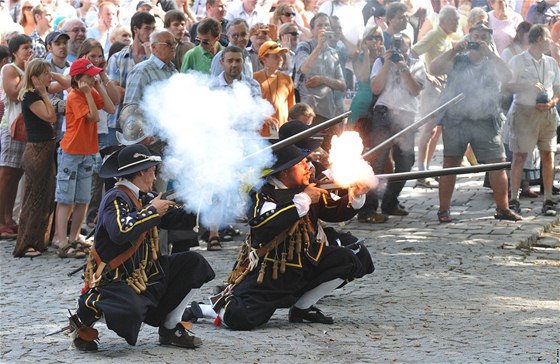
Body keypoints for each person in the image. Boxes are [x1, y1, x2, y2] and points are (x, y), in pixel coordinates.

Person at [191, 143, 374, 330]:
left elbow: (334, 211)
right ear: (286, 172)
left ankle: (302, 309)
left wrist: (356, 195)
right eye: (302, 163)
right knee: (241, 317)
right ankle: (209, 309)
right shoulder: (263, 194)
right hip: (271, 272)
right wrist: (303, 200)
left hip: (307, 261)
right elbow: (264, 224)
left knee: (349, 259)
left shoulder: (306, 189)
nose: (308, 167)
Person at [71, 144, 215, 351]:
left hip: (145, 274)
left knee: (194, 263)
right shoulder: (115, 197)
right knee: (130, 311)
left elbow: (180, 219)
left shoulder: (144, 198)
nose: (155, 178)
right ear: (141, 172)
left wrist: (205, 195)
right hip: (115, 280)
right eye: (152, 172)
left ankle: (170, 327)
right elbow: (120, 232)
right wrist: (152, 212)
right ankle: (83, 320)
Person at [430, 21, 522, 222]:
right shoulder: (458, 59)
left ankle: (503, 208)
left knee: (497, 164)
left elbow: (508, 76)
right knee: (450, 164)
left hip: (485, 119)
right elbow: (434, 68)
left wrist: (491, 54)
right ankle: (443, 210)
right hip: (456, 119)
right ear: (469, 38)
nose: (479, 40)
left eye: (484, 37)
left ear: (489, 40)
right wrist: (453, 49)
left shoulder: (493, 61)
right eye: (476, 36)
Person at [359, 33, 426, 221]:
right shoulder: (380, 62)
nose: (400, 50)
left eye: (404, 46)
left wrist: (403, 66)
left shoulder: (417, 64)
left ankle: (390, 201)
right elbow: (376, 88)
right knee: (376, 162)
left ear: (410, 47)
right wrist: (388, 63)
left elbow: (414, 90)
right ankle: (368, 209)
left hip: (406, 116)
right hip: (384, 114)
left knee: (406, 162)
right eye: (396, 46)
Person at [53, 58, 116, 257]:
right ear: (79, 78)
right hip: (71, 152)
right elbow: (94, 117)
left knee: (82, 198)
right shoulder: (74, 96)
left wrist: (98, 87)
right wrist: (88, 93)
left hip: (88, 151)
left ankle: (75, 236)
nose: (93, 79)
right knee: (65, 198)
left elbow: (110, 108)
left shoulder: (91, 91)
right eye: (89, 77)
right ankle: (61, 240)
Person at [505, 24, 559, 216]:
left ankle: (548, 200)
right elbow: (508, 86)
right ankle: (513, 199)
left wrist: (552, 102)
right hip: (524, 112)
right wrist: (526, 85)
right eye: (548, 38)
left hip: (547, 115)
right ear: (538, 39)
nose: (551, 42)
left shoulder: (551, 62)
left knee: (548, 155)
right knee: (519, 156)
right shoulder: (517, 61)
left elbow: (558, 87)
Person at [12, 58, 57, 257]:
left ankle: (39, 240)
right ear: (35, 77)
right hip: (37, 149)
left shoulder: (35, 93)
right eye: (46, 73)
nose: (49, 76)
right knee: (34, 197)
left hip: (45, 147)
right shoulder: (31, 96)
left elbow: (64, 81)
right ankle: (25, 243)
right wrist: (44, 93)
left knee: (46, 195)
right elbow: (50, 116)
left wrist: (46, 85)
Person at [412, 5, 460, 189]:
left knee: (437, 131)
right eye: (454, 20)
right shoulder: (434, 34)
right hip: (432, 90)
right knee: (429, 129)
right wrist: (425, 75)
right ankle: (421, 172)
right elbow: (414, 52)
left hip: (444, 89)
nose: (457, 23)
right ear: (444, 21)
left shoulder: (448, 37)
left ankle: (428, 170)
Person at [294, 13, 346, 147]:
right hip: (307, 114)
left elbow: (342, 85)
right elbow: (304, 68)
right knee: (309, 154)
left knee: (327, 156)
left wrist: (323, 79)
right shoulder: (304, 46)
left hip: (328, 114)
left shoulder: (333, 53)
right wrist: (318, 47)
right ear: (312, 30)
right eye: (320, 25)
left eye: (327, 25)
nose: (324, 28)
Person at [0, 34, 33, 240]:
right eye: (25, 48)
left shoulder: (25, 69)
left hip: (25, 129)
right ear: (14, 52)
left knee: (16, 176)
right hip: (10, 126)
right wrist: (29, 71)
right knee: (5, 175)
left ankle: (8, 218)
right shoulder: (9, 69)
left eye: (31, 48)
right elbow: (14, 94)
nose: (30, 51)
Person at [106, 11, 156, 145]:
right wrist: (140, 92)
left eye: (153, 29)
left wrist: (151, 57)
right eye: (147, 28)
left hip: (146, 126)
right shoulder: (117, 58)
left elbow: (157, 91)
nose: (151, 33)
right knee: (116, 161)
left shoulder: (154, 59)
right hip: (118, 123)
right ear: (136, 29)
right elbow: (114, 92)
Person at [124, 30, 178, 107]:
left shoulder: (174, 71)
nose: (173, 47)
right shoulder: (142, 70)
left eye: (174, 43)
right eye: (168, 43)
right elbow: (130, 107)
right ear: (154, 47)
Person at [253, 41, 295, 136]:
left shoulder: (287, 79)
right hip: (261, 133)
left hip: (282, 131)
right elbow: (249, 107)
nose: (280, 59)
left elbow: (291, 108)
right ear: (264, 59)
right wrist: (262, 116)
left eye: (281, 55)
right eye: (275, 56)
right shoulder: (254, 79)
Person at [349, 25, 384, 124]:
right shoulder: (357, 58)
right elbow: (364, 78)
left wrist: (384, 57)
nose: (374, 41)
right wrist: (366, 55)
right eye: (370, 38)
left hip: (379, 103)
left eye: (378, 37)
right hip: (362, 101)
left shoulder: (385, 59)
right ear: (364, 40)